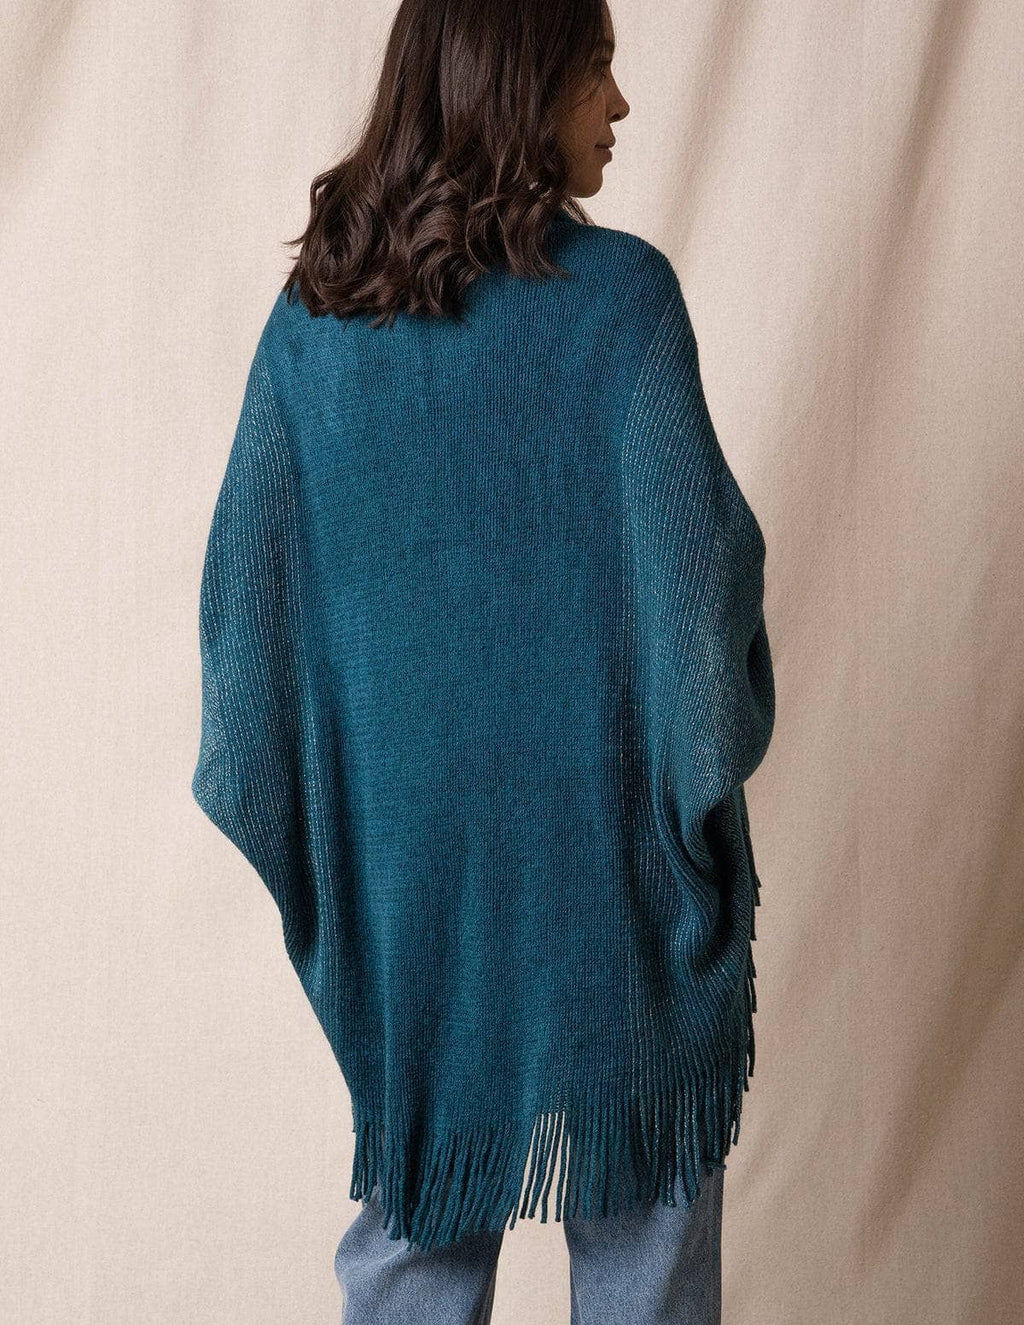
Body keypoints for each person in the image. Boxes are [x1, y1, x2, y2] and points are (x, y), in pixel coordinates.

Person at [190, 0, 775, 1320]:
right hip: (607, 869)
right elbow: (702, 607)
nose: (619, 106)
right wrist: (701, 788)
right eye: (596, 70)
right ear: (522, 84)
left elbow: (244, 624)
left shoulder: (316, 325)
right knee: (644, 1222)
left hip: (419, 891)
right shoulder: (622, 305)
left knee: (419, 1228)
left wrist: (348, 844)